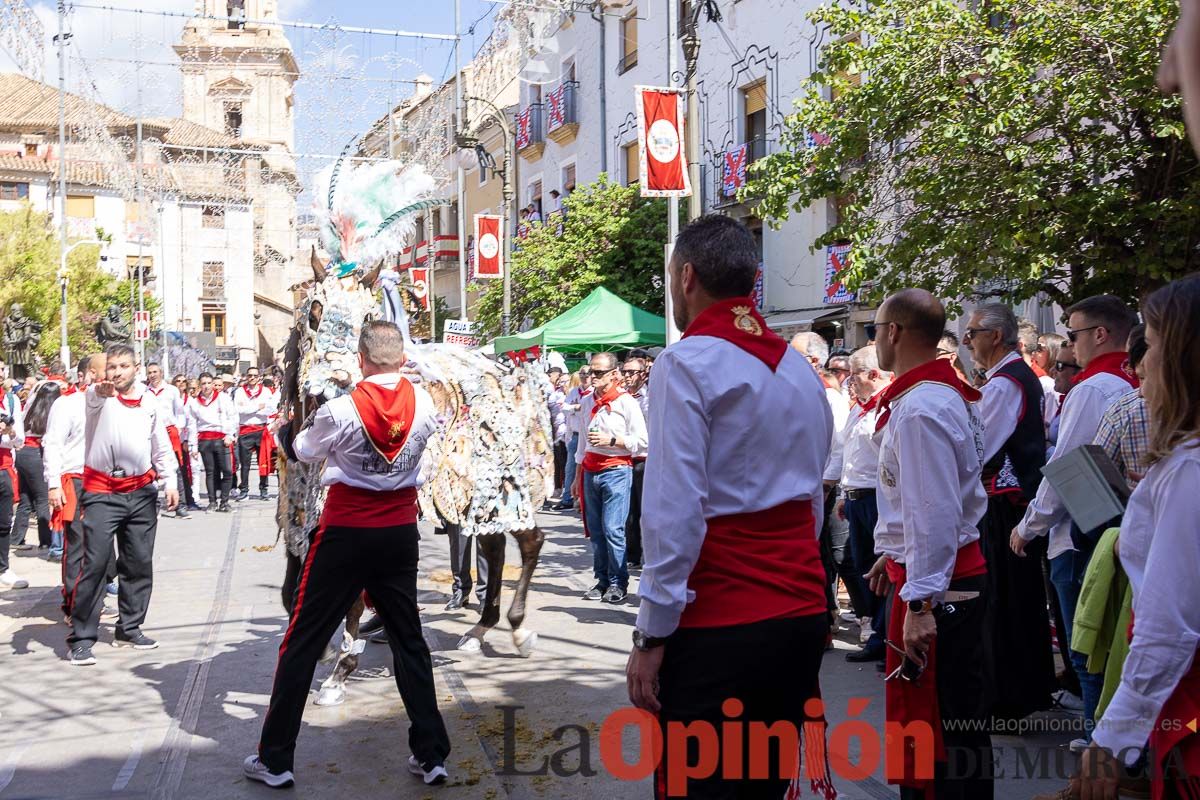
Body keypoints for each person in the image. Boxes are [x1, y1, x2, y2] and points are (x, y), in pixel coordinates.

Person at [627, 215, 834, 798]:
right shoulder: (799, 369)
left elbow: (673, 512)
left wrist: (651, 633)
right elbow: (811, 500)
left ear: (686, 276)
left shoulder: (686, 362)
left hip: (722, 620)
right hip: (798, 613)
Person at [244, 322, 451, 789]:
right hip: (399, 533)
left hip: (347, 531)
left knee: (301, 639)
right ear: (401, 358)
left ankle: (275, 759)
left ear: (361, 359)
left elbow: (303, 450)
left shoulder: (340, 410)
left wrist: (288, 431)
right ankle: (431, 754)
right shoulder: (425, 406)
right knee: (408, 640)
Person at [865, 288, 993, 799]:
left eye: (875, 329)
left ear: (893, 332)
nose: (875, 340)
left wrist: (919, 598)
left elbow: (935, 512)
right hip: (942, 574)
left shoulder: (922, 406)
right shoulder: (940, 394)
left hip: (944, 587)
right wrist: (893, 550)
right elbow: (929, 502)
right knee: (952, 726)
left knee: (944, 732)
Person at [1079, 273, 1200, 800]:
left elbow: (1168, 627)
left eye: (1150, 345)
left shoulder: (1188, 471)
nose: (1140, 362)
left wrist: (1111, 739)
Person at [1011, 294, 1138, 749]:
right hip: (1123, 527)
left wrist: (1029, 526)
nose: (1072, 345)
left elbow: (1068, 467)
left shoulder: (1092, 387)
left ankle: (1098, 740)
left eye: (1075, 334)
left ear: (1100, 334)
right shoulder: (1132, 379)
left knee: (1086, 643)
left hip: (1085, 530)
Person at [964, 303, 1056, 724]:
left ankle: (1007, 699)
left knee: (1004, 603)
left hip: (1006, 506)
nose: (968, 341)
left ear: (995, 336)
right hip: (1011, 503)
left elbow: (978, 448)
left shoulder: (1005, 384)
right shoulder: (1013, 378)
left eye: (973, 333)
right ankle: (1018, 692)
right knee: (1015, 601)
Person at [65, 344, 177, 665]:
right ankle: (82, 638)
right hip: (102, 491)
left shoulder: (150, 401)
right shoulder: (97, 398)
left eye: (123, 366)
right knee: (96, 564)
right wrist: (100, 393)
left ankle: (129, 628)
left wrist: (170, 480)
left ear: (136, 367)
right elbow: (94, 399)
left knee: (138, 562)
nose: (117, 373)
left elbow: (160, 445)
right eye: (112, 367)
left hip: (141, 490)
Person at [828, 344, 893, 663]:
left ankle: (884, 635)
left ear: (874, 374)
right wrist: (843, 494)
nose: (850, 382)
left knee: (882, 569)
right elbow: (846, 452)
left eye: (855, 376)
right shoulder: (859, 407)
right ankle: (877, 633)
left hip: (879, 498)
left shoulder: (889, 406)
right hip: (856, 497)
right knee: (863, 566)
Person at [576, 351, 646, 603]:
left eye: (599, 372)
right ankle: (602, 580)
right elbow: (582, 441)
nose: (592, 376)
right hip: (590, 469)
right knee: (595, 532)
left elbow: (642, 442)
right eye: (590, 371)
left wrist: (613, 441)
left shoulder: (626, 403)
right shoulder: (587, 402)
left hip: (617, 470)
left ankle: (618, 582)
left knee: (613, 529)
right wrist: (576, 476)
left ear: (614, 374)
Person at [45, 353, 110, 621]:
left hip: (107, 481)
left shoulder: (116, 403)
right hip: (76, 480)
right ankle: (73, 603)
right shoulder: (67, 404)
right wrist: (53, 484)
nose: (114, 374)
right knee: (77, 546)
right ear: (91, 374)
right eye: (108, 369)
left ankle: (97, 597)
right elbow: (53, 444)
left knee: (104, 547)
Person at [1093, 325, 1151, 490]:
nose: (1142, 393)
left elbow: (1096, 484)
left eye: (1147, 377)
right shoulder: (1124, 411)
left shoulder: (1124, 410)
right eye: (1140, 378)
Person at [13, 381, 63, 559]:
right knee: (42, 498)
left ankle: (17, 537)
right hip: (34, 454)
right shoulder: (50, 413)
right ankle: (47, 540)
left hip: (22, 454)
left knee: (26, 498)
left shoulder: (31, 407)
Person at [145, 363, 189, 519]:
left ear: (161, 373)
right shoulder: (144, 392)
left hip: (170, 432)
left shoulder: (172, 391)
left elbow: (181, 413)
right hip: (151, 434)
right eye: (150, 372)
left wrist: (178, 428)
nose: (153, 375)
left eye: (155, 372)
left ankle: (181, 506)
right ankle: (154, 507)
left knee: (175, 469)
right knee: (152, 471)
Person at [189, 372, 237, 512]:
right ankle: (212, 502)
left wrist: (230, 435)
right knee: (211, 472)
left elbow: (232, 417)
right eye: (203, 383)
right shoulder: (194, 402)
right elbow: (192, 425)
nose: (206, 386)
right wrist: (194, 446)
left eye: (209, 383)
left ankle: (225, 502)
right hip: (204, 440)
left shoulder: (223, 398)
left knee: (227, 471)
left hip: (221, 438)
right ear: (199, 385)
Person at [621, 357, 650, 569]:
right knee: (629, 512)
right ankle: (632, 554)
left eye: (632, 372)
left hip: (646, 459)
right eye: (625, 371)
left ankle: (649, 554)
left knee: (646, 510)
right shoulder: (622, 398)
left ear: (643, 374)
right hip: (624, 459)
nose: (628, 376)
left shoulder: (651, 398)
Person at [234, 366, 276, 501]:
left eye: (255, 376)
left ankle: (264, 490)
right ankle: (244, 490)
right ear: (246, 377)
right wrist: (258, 407)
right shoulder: (240, 391)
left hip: (260, 429)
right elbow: (238, 410)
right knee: (244, 464)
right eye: (250, 375)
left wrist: (249, 409)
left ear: (259, 378)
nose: (252, 378)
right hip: (245, 430)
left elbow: (270, 410)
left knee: (263, 462)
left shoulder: (266, 391)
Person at [554, 368, 591, 510]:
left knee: (587, 469)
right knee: (570, 468)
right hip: (575, 434)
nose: (585, 377)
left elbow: (587, 410)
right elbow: (563, 407)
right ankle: (567, 498)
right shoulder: (575, 392)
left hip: (589, 435)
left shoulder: (593, 392)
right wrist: (576, 408)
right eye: (582, 374)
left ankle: (583, 500)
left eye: (587, 374)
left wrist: (574, 408)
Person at [0, 381, 25, 589]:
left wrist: (10, 432)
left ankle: (3, 567)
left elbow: (20, 441)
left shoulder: (11, 400)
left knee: (4, 522)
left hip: (4, 467)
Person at [171, 373, 200, 511]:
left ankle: (189, 500)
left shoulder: (190, 401)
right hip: (170, 438)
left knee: (185, 471)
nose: (181, 383)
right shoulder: (169, 398)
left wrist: (189, 441)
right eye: (178, 381)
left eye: (183, 381)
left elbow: (193, 422)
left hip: (183, 440)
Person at [546, 367, 567, 497]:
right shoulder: (556, 394)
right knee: (559, 462)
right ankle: (558, 487)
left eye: (565, 381)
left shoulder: (571, 395)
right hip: (557, 433)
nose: (561, 384)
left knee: (565, 463)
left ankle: (564, 488)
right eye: (561, 381)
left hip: (566, 434)